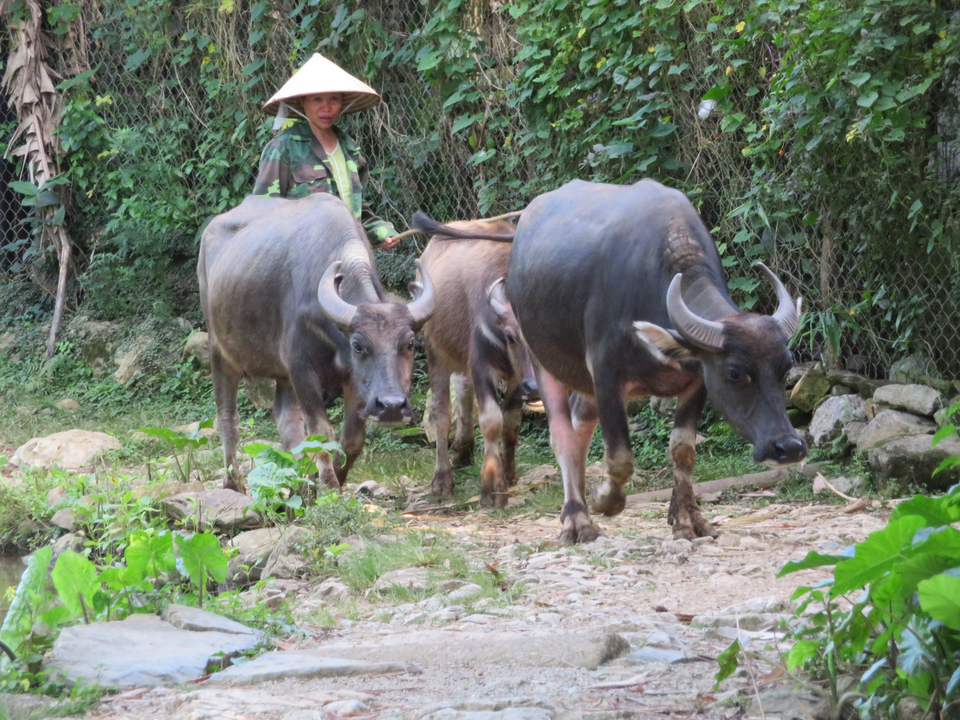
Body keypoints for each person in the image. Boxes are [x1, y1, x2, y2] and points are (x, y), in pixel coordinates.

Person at [255, 53, 401, 249]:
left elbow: (355, 212)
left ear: (342, 102)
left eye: (333, 99)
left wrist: (382, 231)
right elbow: (262, 213)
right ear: (302, 103)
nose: (327, 108)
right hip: (301, 259)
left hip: (349, 254)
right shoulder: (282, 148)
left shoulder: (351, 151)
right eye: (317, 99)